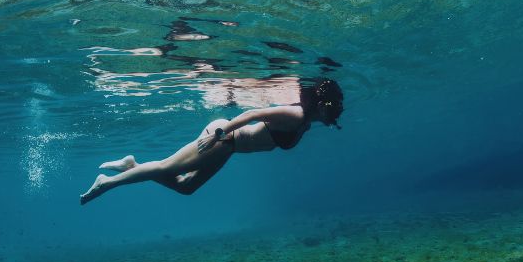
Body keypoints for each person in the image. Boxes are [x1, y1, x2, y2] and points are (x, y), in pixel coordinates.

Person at [80, 78, 344, 204]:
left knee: (186, 187)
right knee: (165, 167)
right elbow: (252, 114)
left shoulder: (306, 122)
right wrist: (218, 134)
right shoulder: (296, 115)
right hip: (223, 139)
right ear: (320, 105)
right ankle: (107, 183)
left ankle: (131, 165)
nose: (335, 114)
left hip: (227, 148)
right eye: (332, 108)